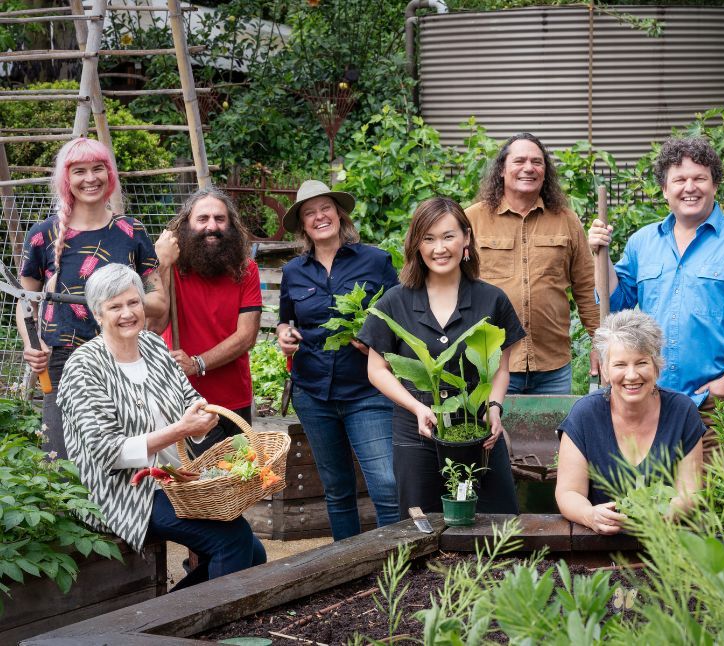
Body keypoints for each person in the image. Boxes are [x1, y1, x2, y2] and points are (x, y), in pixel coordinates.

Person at [57, 263, 266, 590]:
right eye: (115, 307)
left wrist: (201, 416)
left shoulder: (153, 347)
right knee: (233, 539)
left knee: (254, 551)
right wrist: (180, 430)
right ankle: (210, 627)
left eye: (133, 302)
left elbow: (187, 397)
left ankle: (172, 617)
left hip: (173, 481)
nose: (127, 313)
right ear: (97, 314)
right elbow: (107, 452)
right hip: (124, 493)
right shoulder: (85, 367)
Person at [588, 137, 724, 456]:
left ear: (715, 184)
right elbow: (617, 302)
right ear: (665, 189)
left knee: (708, 499)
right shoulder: (643, 243)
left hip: (715, 407)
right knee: (657, 498)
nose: (689, 187)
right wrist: (601, 255)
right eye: (679, 179)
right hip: (653, 403)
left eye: (699, 178)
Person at [360, 196, 524, 516]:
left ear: (466, 238)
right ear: (416, 246)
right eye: (429, 239)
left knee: (497, 523)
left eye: (449, 236)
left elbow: (502, 369)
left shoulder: (492, 299)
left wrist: (494, 408)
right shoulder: (395, 302)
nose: (440, 248)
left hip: (478, 431)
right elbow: (377, 369)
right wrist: (417, 407)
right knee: (421, 527)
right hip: (417, 432)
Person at [17, 137, 170, 459]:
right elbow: (24, 299)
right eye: (80, 171)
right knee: (61, 461)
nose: (90, 179)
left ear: (109, 174)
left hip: (124, 358)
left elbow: (159, 300)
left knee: (126, 457)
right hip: (62, 361)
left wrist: (121, 305)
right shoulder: (42, 235)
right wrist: (31, 343)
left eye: (98, 169)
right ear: (66, 179)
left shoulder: (131, 230)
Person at [276, 180, 400, 541]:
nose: (319, 217)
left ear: (338, 214)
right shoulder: (293, 272)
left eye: (325, 208)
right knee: (337, 488)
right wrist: (284, 335)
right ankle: (345, 567)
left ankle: (393, 561)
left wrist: (378, 342)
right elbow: (288, 320)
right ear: (303, 225)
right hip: (313, 393)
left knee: (386, 485)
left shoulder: (376, 261)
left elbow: (400, 317)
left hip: (367, 390)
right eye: (310, 213)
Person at [465, 132, 599, 395]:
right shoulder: (472, 220)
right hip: (490, 363)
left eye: (537, 162)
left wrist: (600, 342)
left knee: (552, 436)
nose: (529, 168)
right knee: (494, 436)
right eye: (520, 161)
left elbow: (586, 286)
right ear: (502, 170)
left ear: (545, 172)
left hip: (553, 367)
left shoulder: (567, 220)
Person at [555, 310, 705, 534]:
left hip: (667, 543)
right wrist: (590, 515)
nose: (632, 375)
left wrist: (661, 515)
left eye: (641, 362)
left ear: (656, 366)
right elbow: (568, 492)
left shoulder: (682, 412)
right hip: (600, 544)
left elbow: (690, 492)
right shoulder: (585, 415)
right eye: (620, 365)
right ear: (605, 370)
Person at [152, 187, 262, 454]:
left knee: (237, 482)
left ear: (231, 225)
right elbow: (155, 326)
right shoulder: (171, 268)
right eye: (203, 219)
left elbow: (246, 336)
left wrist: (197, 363)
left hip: (233, 399)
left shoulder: (246, 269)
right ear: (186, 226)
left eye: (219, 219)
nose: (212, 226)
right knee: (194, 486)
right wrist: (164, 265)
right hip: (182, 399)